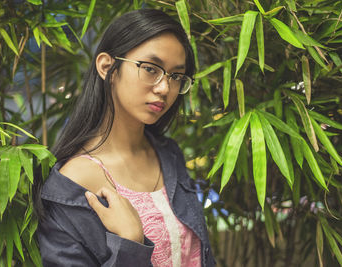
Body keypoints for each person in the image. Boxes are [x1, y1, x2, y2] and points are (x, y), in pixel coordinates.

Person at [34, 8, 216, 267]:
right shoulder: (73, 183)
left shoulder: (167, 153)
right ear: (107, 67)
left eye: (176, 76)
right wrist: (130, 242)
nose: (165, 88)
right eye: (151, 69)